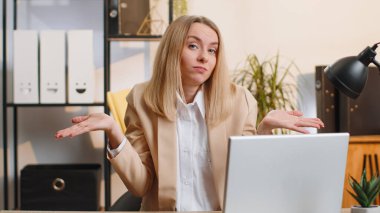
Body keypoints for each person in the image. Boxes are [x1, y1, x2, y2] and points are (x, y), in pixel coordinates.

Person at [56, 15, 324, 211]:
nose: (204, 57)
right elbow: (140, 186)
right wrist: (114, 131)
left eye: (212, 50)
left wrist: (264, 130)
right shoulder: (142, 98)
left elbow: (246, 182)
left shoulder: (239, 100)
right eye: (193, 46)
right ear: (173, 49)